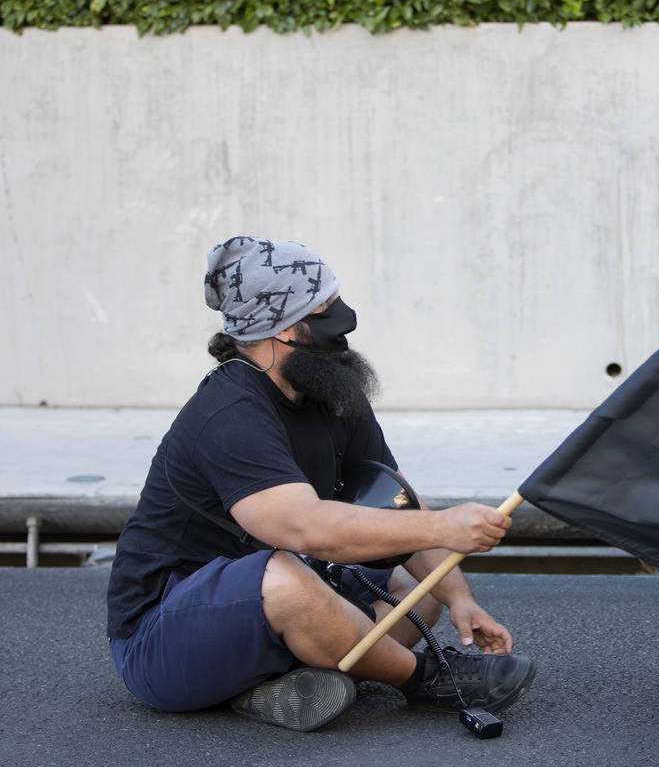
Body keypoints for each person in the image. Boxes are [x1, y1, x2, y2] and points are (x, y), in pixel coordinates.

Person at [106, 236, 535, 732]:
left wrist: (461, 599)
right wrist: (442, 526)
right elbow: (305, 529)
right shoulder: (229, 415)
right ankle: (429, 679)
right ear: (281, 330)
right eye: (325, 309)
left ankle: (265, 685)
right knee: (287, 579)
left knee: (421, 587)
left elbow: (399, 509)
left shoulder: (329, 391)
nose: (346, 320)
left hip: (276, 592)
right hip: (161, 640)